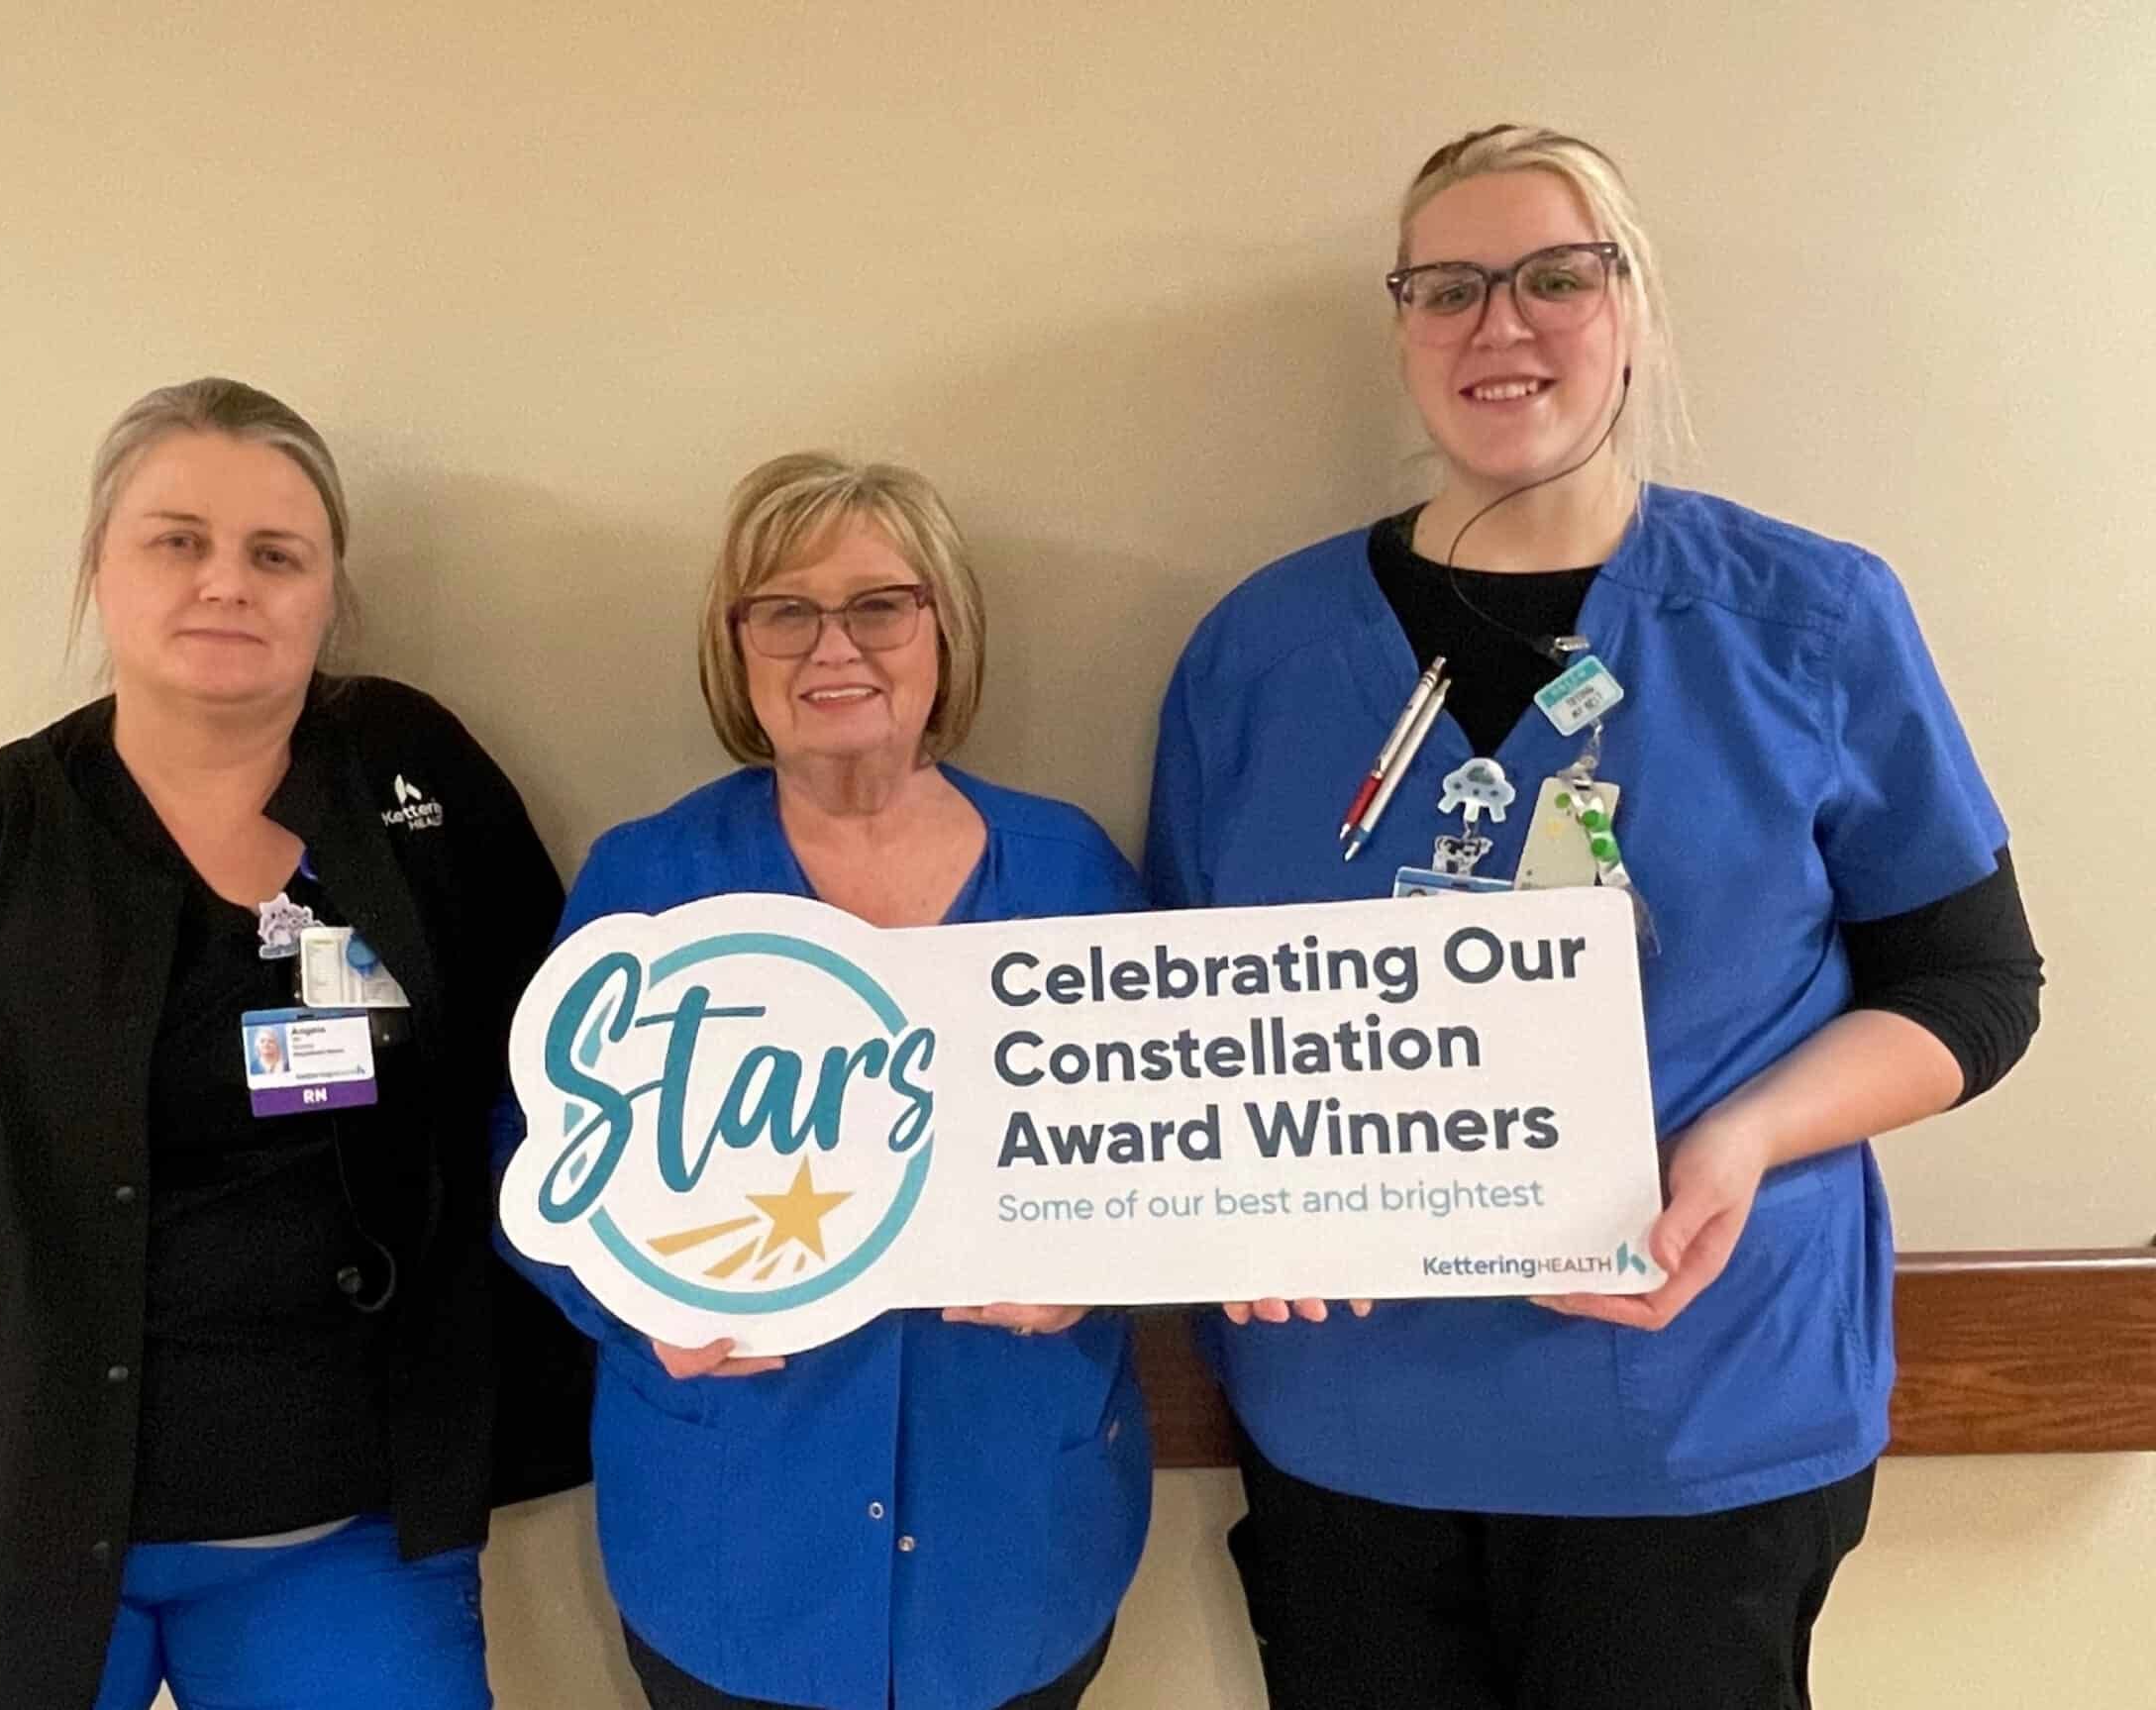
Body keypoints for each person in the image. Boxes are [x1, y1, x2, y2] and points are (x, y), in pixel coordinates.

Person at [1145, 127, 2043, 1710]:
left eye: (1558, 276)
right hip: (1355, 1431)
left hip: (1701, 1413)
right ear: (1401, 325)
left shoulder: (1809, 620)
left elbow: (1972, 983)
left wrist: (1744, 1138)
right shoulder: (1258, 652)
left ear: (1631, 306)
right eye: (1449, 286)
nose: (1502, 325)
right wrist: (1232, 1196)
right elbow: (1183, 1016)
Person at [0, 377, 591, 1710]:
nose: (229, 581)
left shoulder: (415, 783)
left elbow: (569, 1079)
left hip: (338, 1531)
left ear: (331, 590)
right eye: (178, 539)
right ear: (101, 569)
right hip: (7, 1527)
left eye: (277, 553)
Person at [499, 453, 1151, 1710]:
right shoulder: (649, 881)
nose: (830, 645)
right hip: (735, 1545)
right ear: (734, 647)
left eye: (878, 604)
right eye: (783, 609)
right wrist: (636, 1306)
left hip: (1015, 1546)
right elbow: (535, 1162)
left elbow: (1177, 1150)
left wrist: (1096, 1270)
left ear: (945, 628)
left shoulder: (1072, 871)